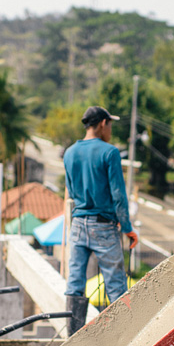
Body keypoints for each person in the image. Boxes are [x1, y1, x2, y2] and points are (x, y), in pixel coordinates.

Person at [63, 106, 139, 334]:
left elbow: (70, 189)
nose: (111, 130)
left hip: (78, 224)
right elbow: (119, 195)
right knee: (116, 285)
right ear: (103, 124)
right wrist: (127, 228)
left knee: (75, 283)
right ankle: (120, 338)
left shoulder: (69, 153)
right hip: (103, 226)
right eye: (110, 125)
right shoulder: (110, 152)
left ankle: (73, 336)